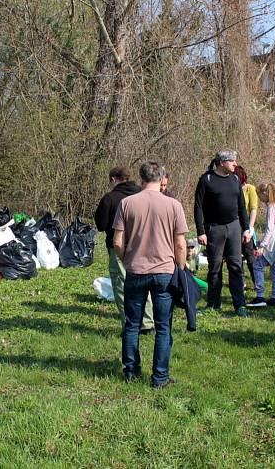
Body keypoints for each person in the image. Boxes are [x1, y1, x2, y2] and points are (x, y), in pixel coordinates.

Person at [113, 161, 188, 388]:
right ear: (161, 177)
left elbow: (117, 241)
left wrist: (127, 259)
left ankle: (131, 371)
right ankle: (160, 377)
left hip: (135, 270)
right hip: (164, 271)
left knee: (132, 324)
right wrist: (181, 268)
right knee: (163, 326)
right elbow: (181, 245)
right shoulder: (173, 205)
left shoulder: (127, 203)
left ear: (141, 178)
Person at [93, 166, 154, 333]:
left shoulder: (110, 198)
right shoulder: (142, 194)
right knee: (143, 281)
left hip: (118, 244)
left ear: (113, 179)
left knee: (121, 284)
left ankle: (129, 324)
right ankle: (148, 323)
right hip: (142, 244)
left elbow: (101, 225)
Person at [194, 149, 252, 316]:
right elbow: (198, 206)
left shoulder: (235, 179)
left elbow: (242, 206)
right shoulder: (206, 180)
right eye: (232, 161)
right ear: (221, 163)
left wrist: (246, 228)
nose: (235, 164)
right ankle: (213, 304)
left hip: (234, 227)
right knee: (215, 268)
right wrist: (201, 231)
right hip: (214, 229)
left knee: (236, 266)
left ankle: (239, 304)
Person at [249, 183, 275, 307]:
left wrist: (262, 245)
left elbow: (270, 228)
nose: (259, 198)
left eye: (259, 195)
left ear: (265, 193)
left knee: (257, 265)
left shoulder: (271, 206)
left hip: (274, 239)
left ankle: (260, 296)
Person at [234, 165, 258, 290]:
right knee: (237, 256)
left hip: (246, 224)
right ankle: (241, 282)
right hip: (234, 225)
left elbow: (253, 209)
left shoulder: (250, 189)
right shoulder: (232, 188)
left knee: (249, 256)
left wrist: (250, 229)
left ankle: (257, 282)